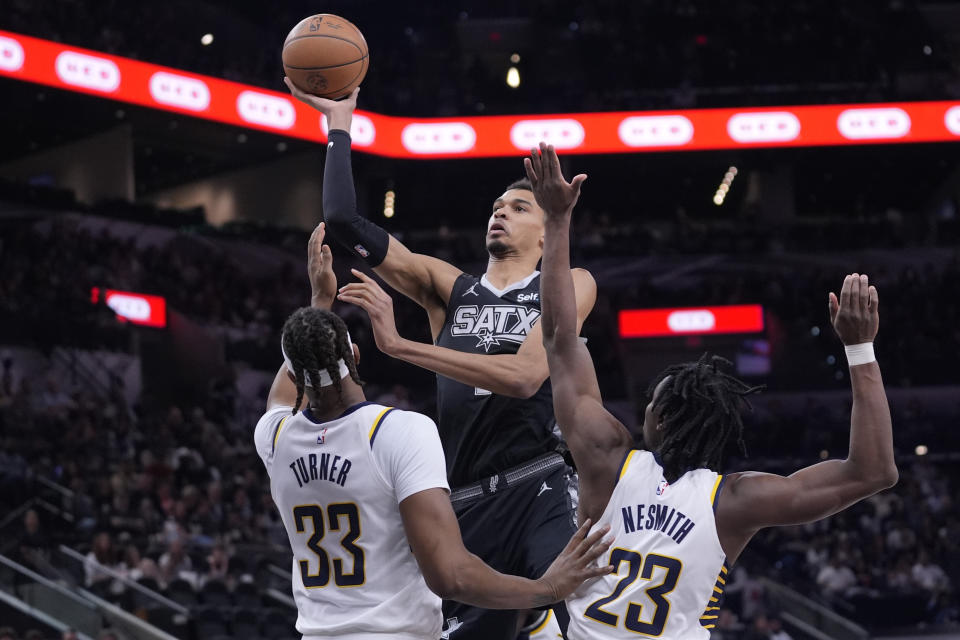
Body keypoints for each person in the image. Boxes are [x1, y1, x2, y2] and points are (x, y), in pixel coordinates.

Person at [527, 142, 898, 639]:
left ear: (657, 418)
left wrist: (556, 222)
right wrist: (860, 350)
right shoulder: (734, 501)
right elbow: (873, 471)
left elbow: (558, 339)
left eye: (652, 400)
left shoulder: (607, 457)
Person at [286, 79, 597, 640]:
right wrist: (340, 124)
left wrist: (404, 348)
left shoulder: (571, 283)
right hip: (464, 498)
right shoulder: (449, 289)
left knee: (577, 617)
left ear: (546, 231)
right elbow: (342, 223)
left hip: (539, 483)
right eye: (496, 206)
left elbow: (526, 378)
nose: (499, 214)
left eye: (518, 207)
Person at [253, 223, 611, 639]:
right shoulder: (397, 431)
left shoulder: (275, 439)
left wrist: (318, 303)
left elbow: (282, 394)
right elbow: (452, 576)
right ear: (354, 354)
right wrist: (546, 589)